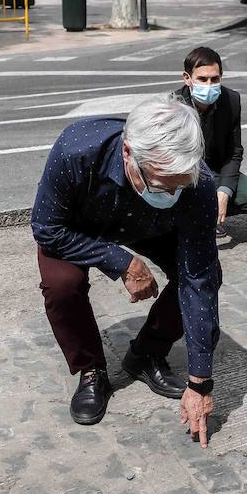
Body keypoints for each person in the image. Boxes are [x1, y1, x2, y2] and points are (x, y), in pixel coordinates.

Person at [31, 98, 221, 443]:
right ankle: (91, 370)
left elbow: (199, 281)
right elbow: (47, 228)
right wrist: (120, 261)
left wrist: (200, 382)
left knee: (201, 275)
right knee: (62, 284)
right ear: (129, 153)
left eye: (180, 186)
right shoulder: (76, 149)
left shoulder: (197, 183)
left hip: (150, 225)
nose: (173, 193)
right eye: (163, 185)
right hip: (79, 226)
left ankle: (146, 355)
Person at [169, 46, 247, 239]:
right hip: (185, 173)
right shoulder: (173, 106)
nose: (209, 85)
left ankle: (212, 215)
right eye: (202, 79)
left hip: (216, 169)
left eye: (215, 79)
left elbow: (234, 151)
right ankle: (189, 219)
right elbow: (169, 158)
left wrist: (224, 191)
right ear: (187, 78)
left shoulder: (231, 100)